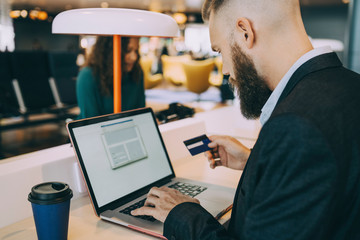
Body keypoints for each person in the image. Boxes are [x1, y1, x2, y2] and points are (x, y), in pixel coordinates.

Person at [132, 0, 360, 239]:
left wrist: (181, 213)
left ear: (245, 32)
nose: (225, 70)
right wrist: (257, 160)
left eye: (220, 51)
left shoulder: (293, 126)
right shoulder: (351, 86)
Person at [76, 36, 145, 119]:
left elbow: (141, 113)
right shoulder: (88, 76)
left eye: (136, 51)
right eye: (127, 51)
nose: (134, 57)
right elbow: (91, 122)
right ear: (109, 51)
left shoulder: (137, 73)